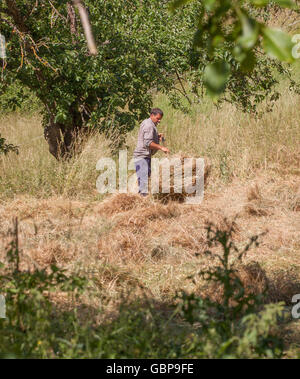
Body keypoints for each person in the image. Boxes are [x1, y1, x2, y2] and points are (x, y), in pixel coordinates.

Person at [133, 108, 170, 196]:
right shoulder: (149, 125)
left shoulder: (148, 123)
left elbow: (147, 138)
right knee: (144, 184)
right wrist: (162, 147)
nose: (159, 121)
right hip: (142, 157)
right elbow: (148, 142)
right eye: (158, 118)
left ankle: (142, 201)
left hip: (144, 156)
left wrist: (157, 137)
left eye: (160, 119)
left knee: (144, 181)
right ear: (152, 115)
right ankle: (142, 203)